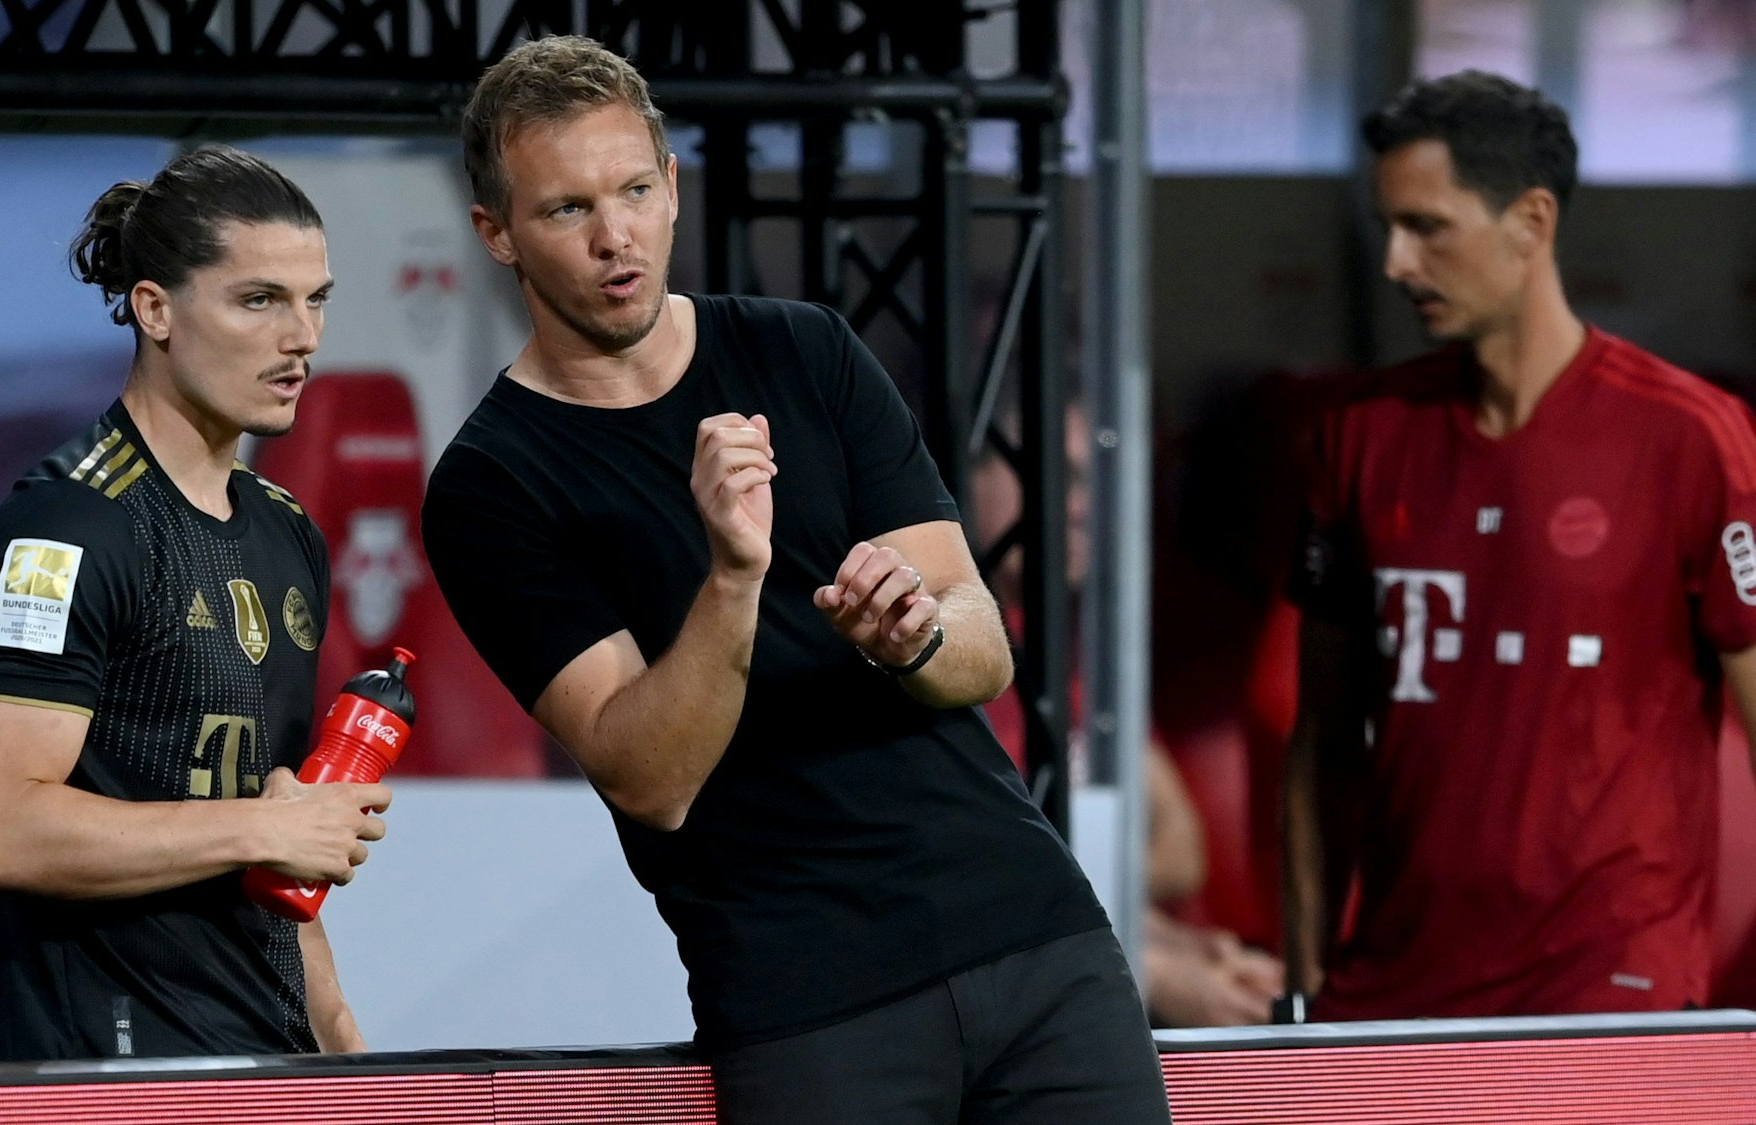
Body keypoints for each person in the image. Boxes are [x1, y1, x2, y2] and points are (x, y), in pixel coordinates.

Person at [421, 34, 1170, 1124]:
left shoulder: (803, 350)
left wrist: (911, 637)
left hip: (1029, 929)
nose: (615, 237)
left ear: (673, 186)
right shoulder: (493, 484)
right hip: (807, 993)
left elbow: (981, 650)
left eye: (634, 190)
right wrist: (732, 571)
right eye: (567, 210)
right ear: (497, 233)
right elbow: (648, 777)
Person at [1284, 70, 1756, 1021]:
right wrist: (1301, 984)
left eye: (1428, 227)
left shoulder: (1693, 438)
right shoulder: (1356, 435)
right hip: (1392, 993)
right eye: (1388, 227)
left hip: (1613, 993)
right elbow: (1321, 744)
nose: (1396, 264)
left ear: (1532, 222)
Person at [0, 146, 392, 1061]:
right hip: (112, 1079)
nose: (302, 335)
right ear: (155, 309)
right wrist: (260, 826)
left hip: (269, 1060)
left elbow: (276, 846)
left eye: (316, 299)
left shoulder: (286, 529)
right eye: (259, 299)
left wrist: (343, 1045)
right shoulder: (67, 524)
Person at [968, 409, 1284, 1027]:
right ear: (964, 477)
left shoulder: (1072, 650)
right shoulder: (923, 648)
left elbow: (1179, 847)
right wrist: (1144, 956)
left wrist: (1158, 939)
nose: (1082, 505)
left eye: (1094, 481)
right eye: (1058, 475)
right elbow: (958, 879)